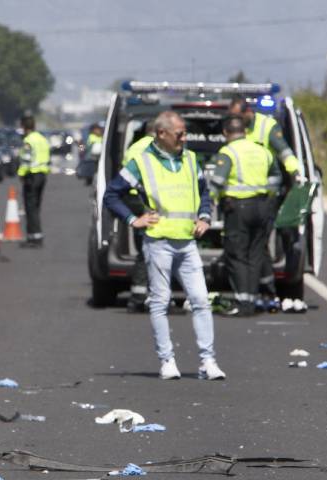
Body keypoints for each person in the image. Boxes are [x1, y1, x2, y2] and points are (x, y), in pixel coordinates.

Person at [103, 111, 226, 381]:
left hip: (187, 242)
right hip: (158, 242)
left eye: (184, 133)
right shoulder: (141, 163)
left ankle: (208, 361)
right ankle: (167, 361)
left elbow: (203, 191)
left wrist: (205, 216)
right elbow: (111, 194)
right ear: (161, 134)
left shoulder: (191, 159)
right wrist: (133, 219)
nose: (184, 138)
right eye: (179, 133)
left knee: (201, 301)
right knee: (160, 302)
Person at [230, 98, 304, 309]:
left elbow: (285, 153)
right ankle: (258, 289)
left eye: (237, 117)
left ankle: (265, 290)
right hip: (241, 196)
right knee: (253, 245)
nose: (234, 121)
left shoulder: (266, 126)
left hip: (266, 196)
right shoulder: (237, 129)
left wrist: (297, 175)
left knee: (259, 244)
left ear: (248, 112)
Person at [211, 114, 278, 316]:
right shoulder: (263, 150)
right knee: (256, 253)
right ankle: (252, 298)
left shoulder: (228, 151)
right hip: (262, 206)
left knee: (237, 254)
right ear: (245, 131)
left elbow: (217, 182)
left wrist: (208, 206)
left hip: (238, 208)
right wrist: (269, 199)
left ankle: (243, 302)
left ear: (225, 133)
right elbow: (276, 177)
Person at [122, 125, 155, 312]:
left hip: (133, 199)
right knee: (151, 249)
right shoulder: (156, 148)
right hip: (147, 200)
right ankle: (141, 296)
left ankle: (139, 294)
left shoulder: (134, 147)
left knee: (143, 248)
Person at [17, 113, 50, 248]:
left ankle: (35, 237)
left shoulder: (28, 141)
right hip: (42, 175)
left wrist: (21, 173)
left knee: (30, 207)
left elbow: (26, 161)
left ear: (24, 126)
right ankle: (34, 235)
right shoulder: (42, 139)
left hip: (32, 175)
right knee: (36, 206)